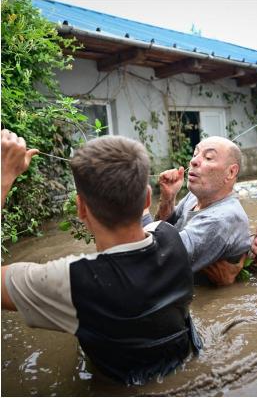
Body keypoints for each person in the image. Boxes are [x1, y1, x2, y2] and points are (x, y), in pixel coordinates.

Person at [1, 131, 201, 385]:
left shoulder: (70, 281)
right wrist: (169, 197)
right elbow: (148, 227)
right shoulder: (171, 235)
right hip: (185, 363)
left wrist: (4, 177)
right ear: (148, 198)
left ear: (81, 209)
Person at [143, 136, 251, 280]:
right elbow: (163, 227)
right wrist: (168, 199)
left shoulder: (222, 218)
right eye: (195, 154)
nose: (193, 161)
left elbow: (155, 259)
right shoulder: (195, 196)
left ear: (230, 172)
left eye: (208, 157)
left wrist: (142, 207)